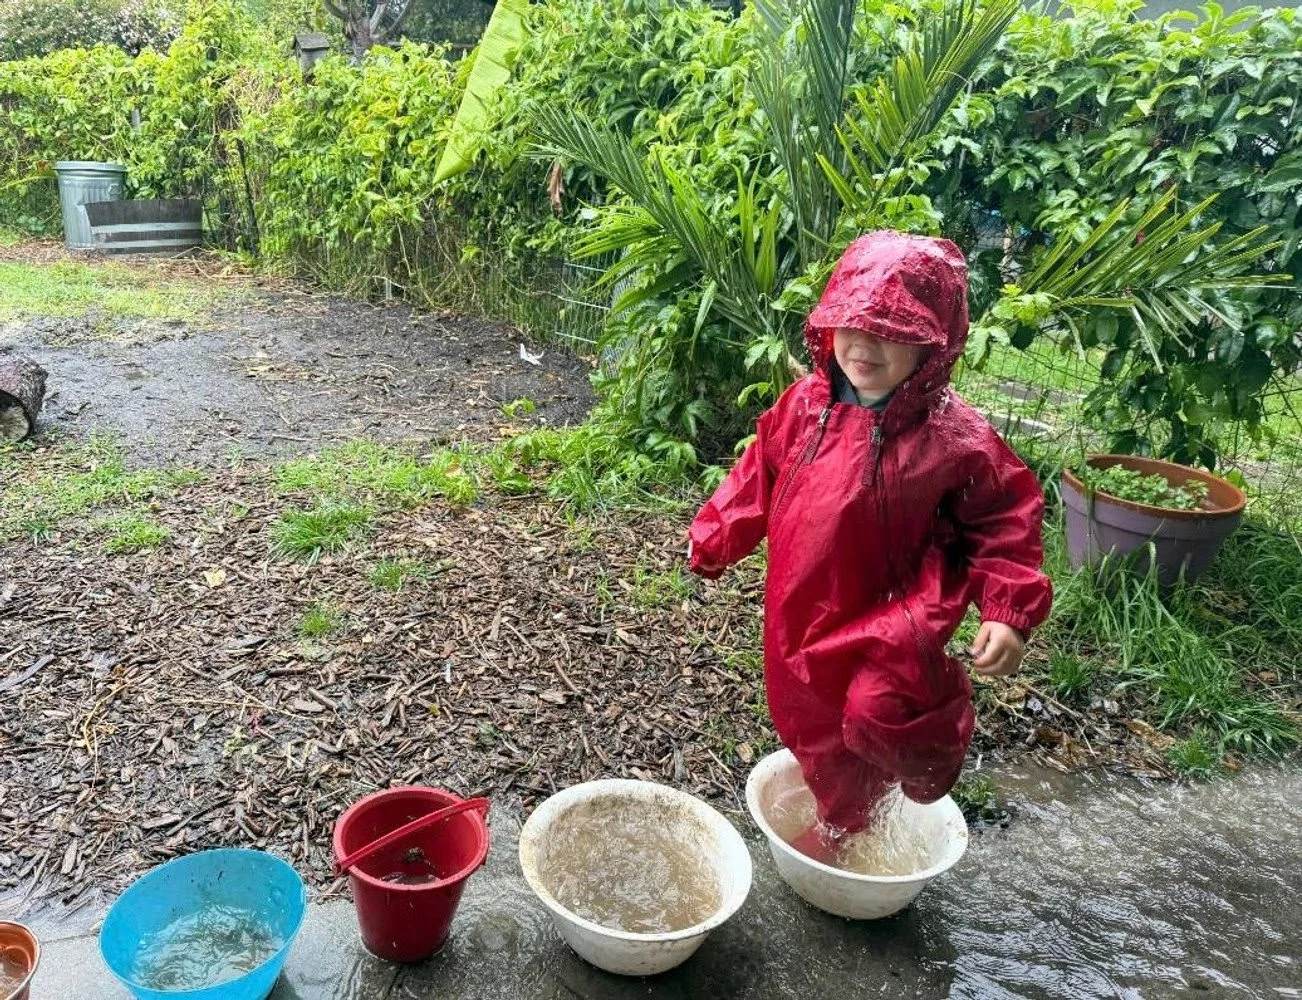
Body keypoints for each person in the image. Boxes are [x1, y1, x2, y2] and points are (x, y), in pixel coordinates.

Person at [688, 231, 1052, 861]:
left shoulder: (953, 437)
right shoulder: (806, 405)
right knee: (809, 718)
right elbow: (761, 473)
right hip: (802, 606)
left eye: (890, 331)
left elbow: (1003, 515)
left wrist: (1008, 608)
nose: (862, 345)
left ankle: (866, 807)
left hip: (897, 610)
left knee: (878, 712)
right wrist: (719, 533)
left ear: (933, 346)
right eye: (848, 326)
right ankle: (847, 798)